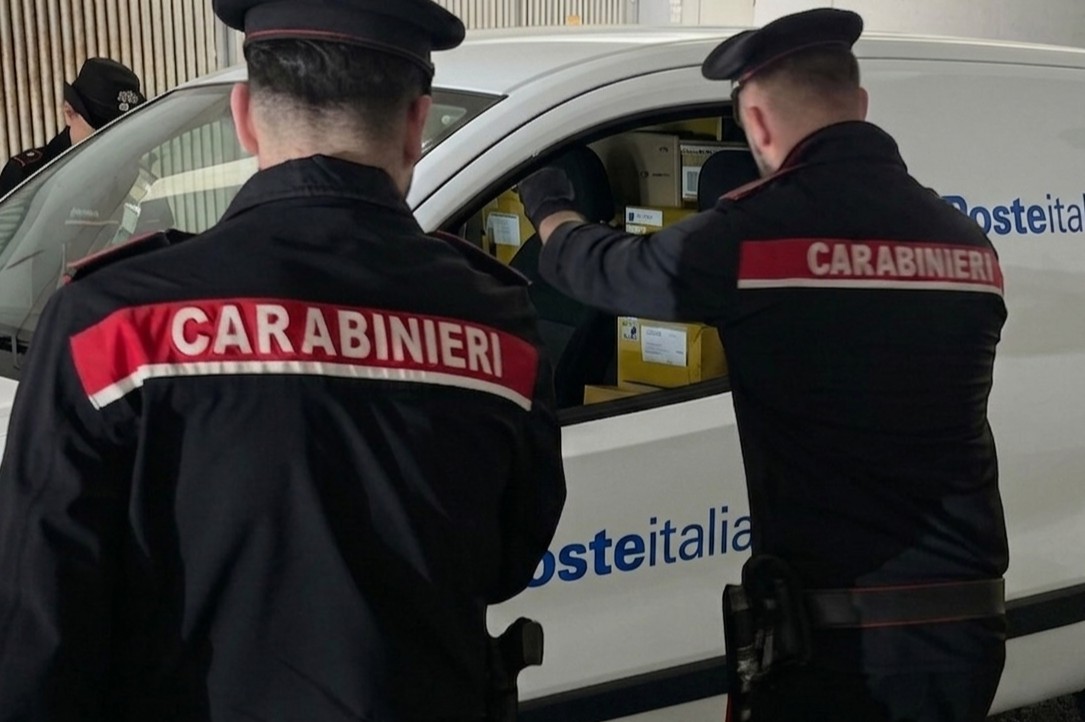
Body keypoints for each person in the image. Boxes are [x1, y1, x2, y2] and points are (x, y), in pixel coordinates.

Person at [0, 0, 565, 719]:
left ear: (243, 116)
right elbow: (510, 561)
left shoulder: (109, 326)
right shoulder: (498, 327)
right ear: (416, 124)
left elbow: (37, 636)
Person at [519, 8, 1007, 722]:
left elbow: (610, 272)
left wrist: (552, 210)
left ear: (756, 122)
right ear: (859, 103)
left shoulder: (756, 236)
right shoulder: (965, 242)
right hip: (965, 627)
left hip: (844, 645)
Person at [0, 57, 145, 197]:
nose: (114, 142)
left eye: (125, 131)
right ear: (69, 113)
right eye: (103, 131)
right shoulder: (28, 176)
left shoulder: (134, 174)